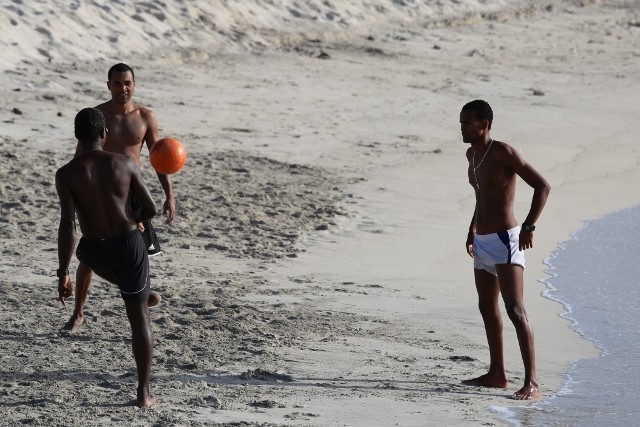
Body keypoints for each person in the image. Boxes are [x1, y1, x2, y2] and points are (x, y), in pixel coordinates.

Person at [61, 63, 174, 333]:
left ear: (134, 85)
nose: (122, 88)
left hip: (132, 194)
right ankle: (78, 313)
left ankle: (140, 308)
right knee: (87, 255)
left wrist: (169, 195)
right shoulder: (98, 117)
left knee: (138, 255)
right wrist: (76, 193)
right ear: (108, 85)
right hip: (102, 193)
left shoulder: (146, 117)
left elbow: (158, 158)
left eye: (127, 83)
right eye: (117, 83)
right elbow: (80, 158)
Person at [56, 107, 158, 407]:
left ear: (77, 136)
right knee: (139, 319)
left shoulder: (66, 174)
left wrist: (62, 272)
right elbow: (150, 208)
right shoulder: (124, 163)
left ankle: (137, 290)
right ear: (105, 134)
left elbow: (67, 225)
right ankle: (144, 394)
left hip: (94, 249)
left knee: (83, 251)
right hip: (129, 243)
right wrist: (136, 216)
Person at [459, 99, 550, 400]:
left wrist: (528, 226)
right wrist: (472, 229)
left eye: (467, 122)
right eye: (461, 122)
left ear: (484, 125)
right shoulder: (472, 154)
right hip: (483, 242)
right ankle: (497, 374)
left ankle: (532, 383)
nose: (462, 127)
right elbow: (481, 196)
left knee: (515, 309)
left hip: (506, 240)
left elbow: (542, 186)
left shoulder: (503, 152)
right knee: (487, 307)